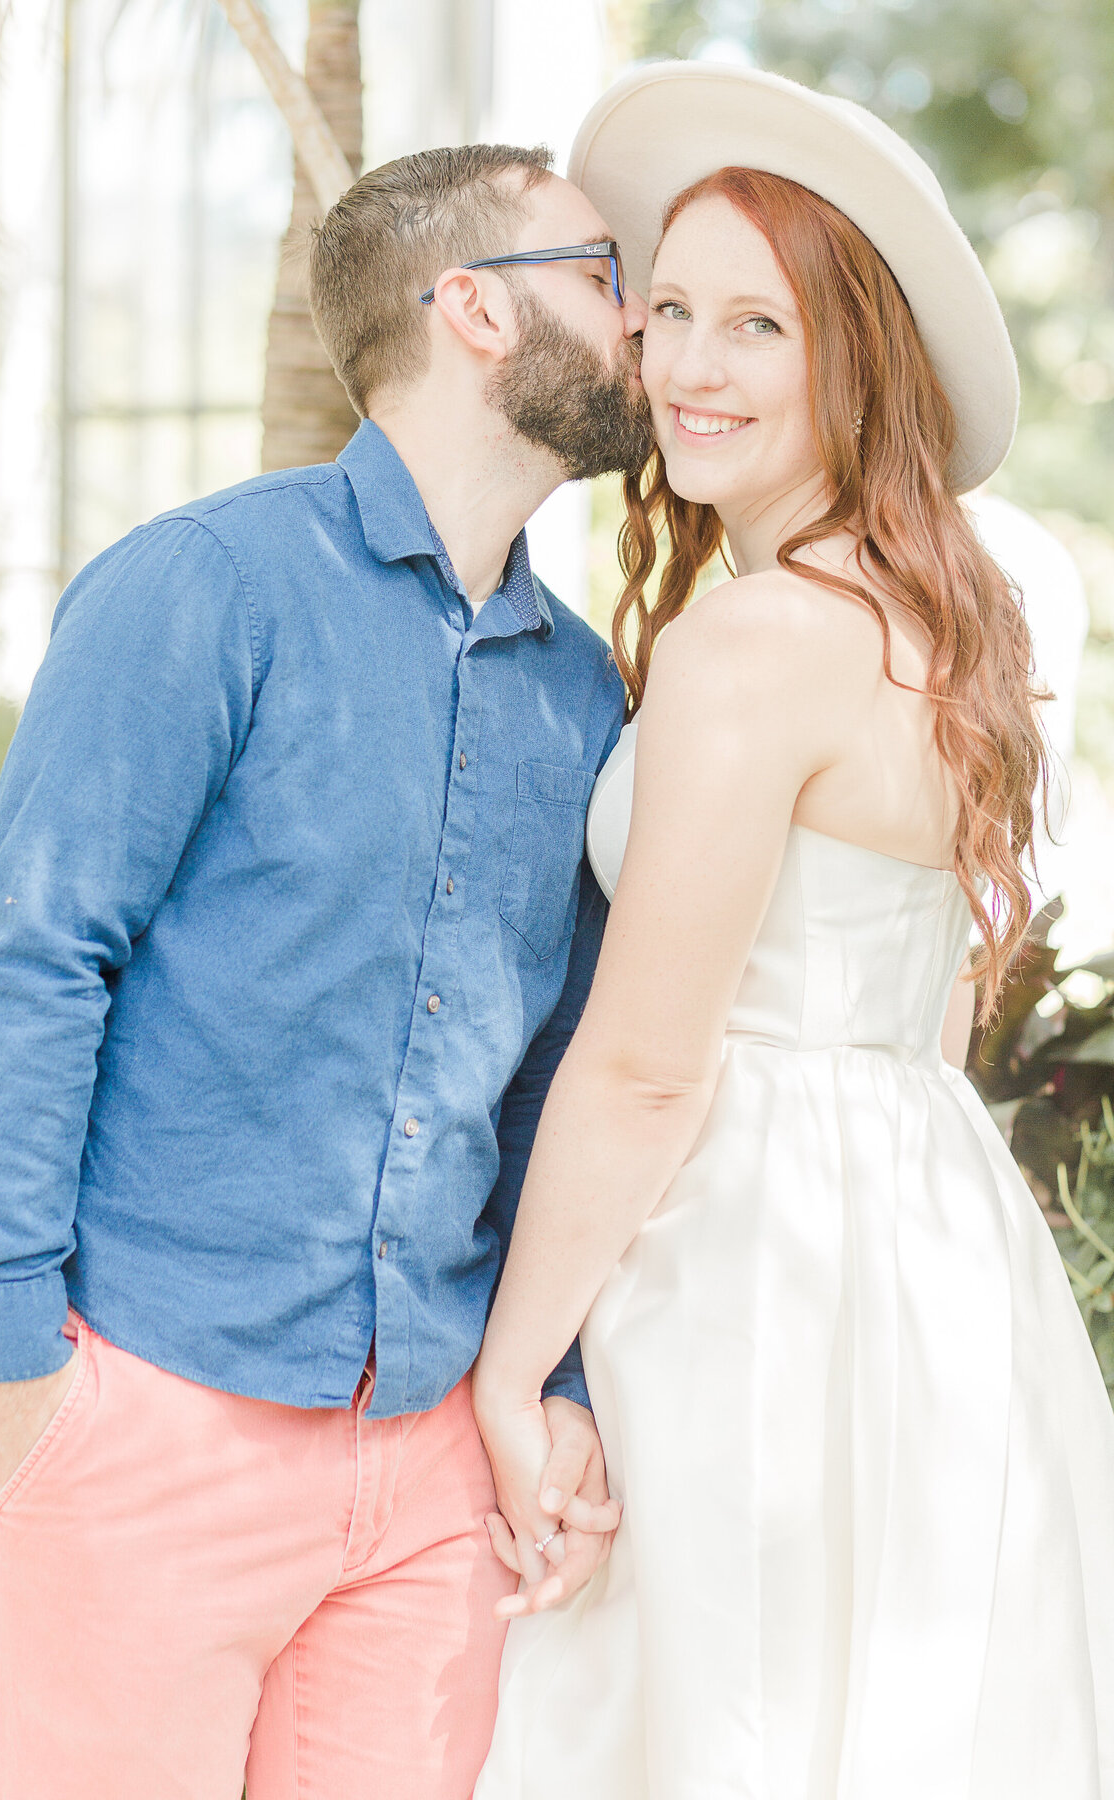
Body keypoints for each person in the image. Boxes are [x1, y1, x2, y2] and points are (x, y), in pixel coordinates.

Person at [0, 143, 650, 1799]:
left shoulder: (586, 694)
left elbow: (559, 1080)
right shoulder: (203, 589)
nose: (638, 323)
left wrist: (551, 1386)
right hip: (151, 1414)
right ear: (472, 308)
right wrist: (24, 1378)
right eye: (601, 272)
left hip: (426, 1472)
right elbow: (40, 969)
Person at [473, 64, 1114, 1800]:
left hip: (752, 1247)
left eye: (755, 324)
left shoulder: (750, 648)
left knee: (714, 1714)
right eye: (665, 307)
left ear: (854, 359)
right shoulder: (937, 610)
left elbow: (648, 1068)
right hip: (926, 1228)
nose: (685, 364)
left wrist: (512, 1367)